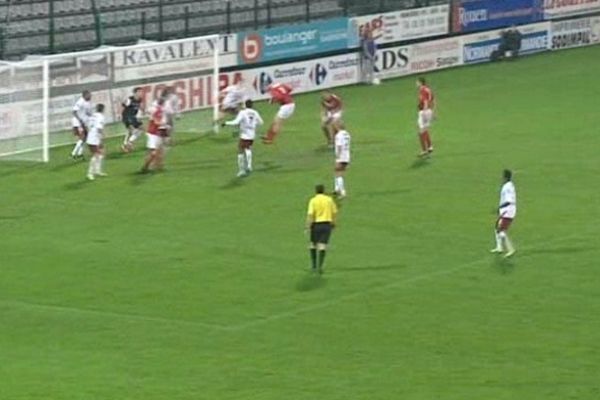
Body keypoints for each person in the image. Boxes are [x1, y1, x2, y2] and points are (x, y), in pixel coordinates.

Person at [224, 99, 264, 177]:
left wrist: (226, 123)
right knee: (248, 148)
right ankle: (249, 166)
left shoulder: (243, 112)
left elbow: (236, 122)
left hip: (244, 135)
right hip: (252, 135)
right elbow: (261, 122)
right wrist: (253, 124)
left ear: (245, 105)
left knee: (240, 151)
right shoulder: (255, 113)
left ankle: (242, 170)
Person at [305, 184, 338, 274]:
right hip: (327, 224)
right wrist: (334, 223)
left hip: (316, 224)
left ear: (316, 191)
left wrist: (308, 226)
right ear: (323, 190)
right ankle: (320, 267)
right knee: (323, 245)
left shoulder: (313, 200)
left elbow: (310, 214)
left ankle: (314, 265)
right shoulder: (329, 200)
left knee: (313, 245)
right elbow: (334, 212)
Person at [491, 169, 517, 257]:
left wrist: (499, 208)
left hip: (508, 211)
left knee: (501, 231)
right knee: (496, 228)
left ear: (505, 177)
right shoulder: (508, 185)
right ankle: (499, 248)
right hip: (506, 210)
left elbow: (509, 201)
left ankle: (511, 249)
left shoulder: (508, 187)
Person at [141, 97, 169, 173]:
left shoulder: (160, 111)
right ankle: (145, 167)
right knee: (153, 153)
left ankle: (157, 166)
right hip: (152, 134)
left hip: (157, 134)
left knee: (159, 150)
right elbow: (156, 122)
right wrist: (163, 124)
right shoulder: (156, 110)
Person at [85, 104, 107, 181]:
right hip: (95, 138)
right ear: (103, 109)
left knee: (101, 153)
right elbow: (99, 128)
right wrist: (102, 136)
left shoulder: (92, 116)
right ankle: (90, 173)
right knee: (95, 155)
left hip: (91, 137)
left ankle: (97, 171)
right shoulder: (101, 117)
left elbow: (87, 126)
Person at [71, 90, 93, 160]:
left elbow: (88, 113)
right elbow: (74, 112)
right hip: (78, 123)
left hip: (83, 122)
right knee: (82, 138)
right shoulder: (80, 102)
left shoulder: (88, 102)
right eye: (89, 95)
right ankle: (73, 154)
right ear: (85, 95)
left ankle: (80, 154)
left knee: (84, 138)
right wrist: (79, 120)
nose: (90, 96)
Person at [121, 87, 144, 153]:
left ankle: (126, 144)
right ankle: (129, 143)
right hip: (127, 116)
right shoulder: (130, 99)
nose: (141, 93)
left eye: (141, 92)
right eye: (139, 92)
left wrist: (140, 113)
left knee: (131, 131)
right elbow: (123, 105)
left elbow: (138, 108)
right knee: (138, 128)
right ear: (135, 93)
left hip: (133, 117)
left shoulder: (139, 100)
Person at [416, 77, 435, 157]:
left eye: (417, 82)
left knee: (421, 132)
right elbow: (433, 100)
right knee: (425, 130)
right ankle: (430, 147)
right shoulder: (428, 89)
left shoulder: (422, 90)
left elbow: (425, 101)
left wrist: (424, 111)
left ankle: (424, 150)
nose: (416, 83)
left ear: (420, 82)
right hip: (429, 111)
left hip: (424, 111)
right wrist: (433, 112)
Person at [333, 121, 351, 198]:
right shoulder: (347, 134)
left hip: (341, 156)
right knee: (338, 171)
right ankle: (337, 189)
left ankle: (342, 192)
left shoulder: (339, 135)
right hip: (347, 155)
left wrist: (338, 155)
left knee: (338, 173)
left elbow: (339, 146)